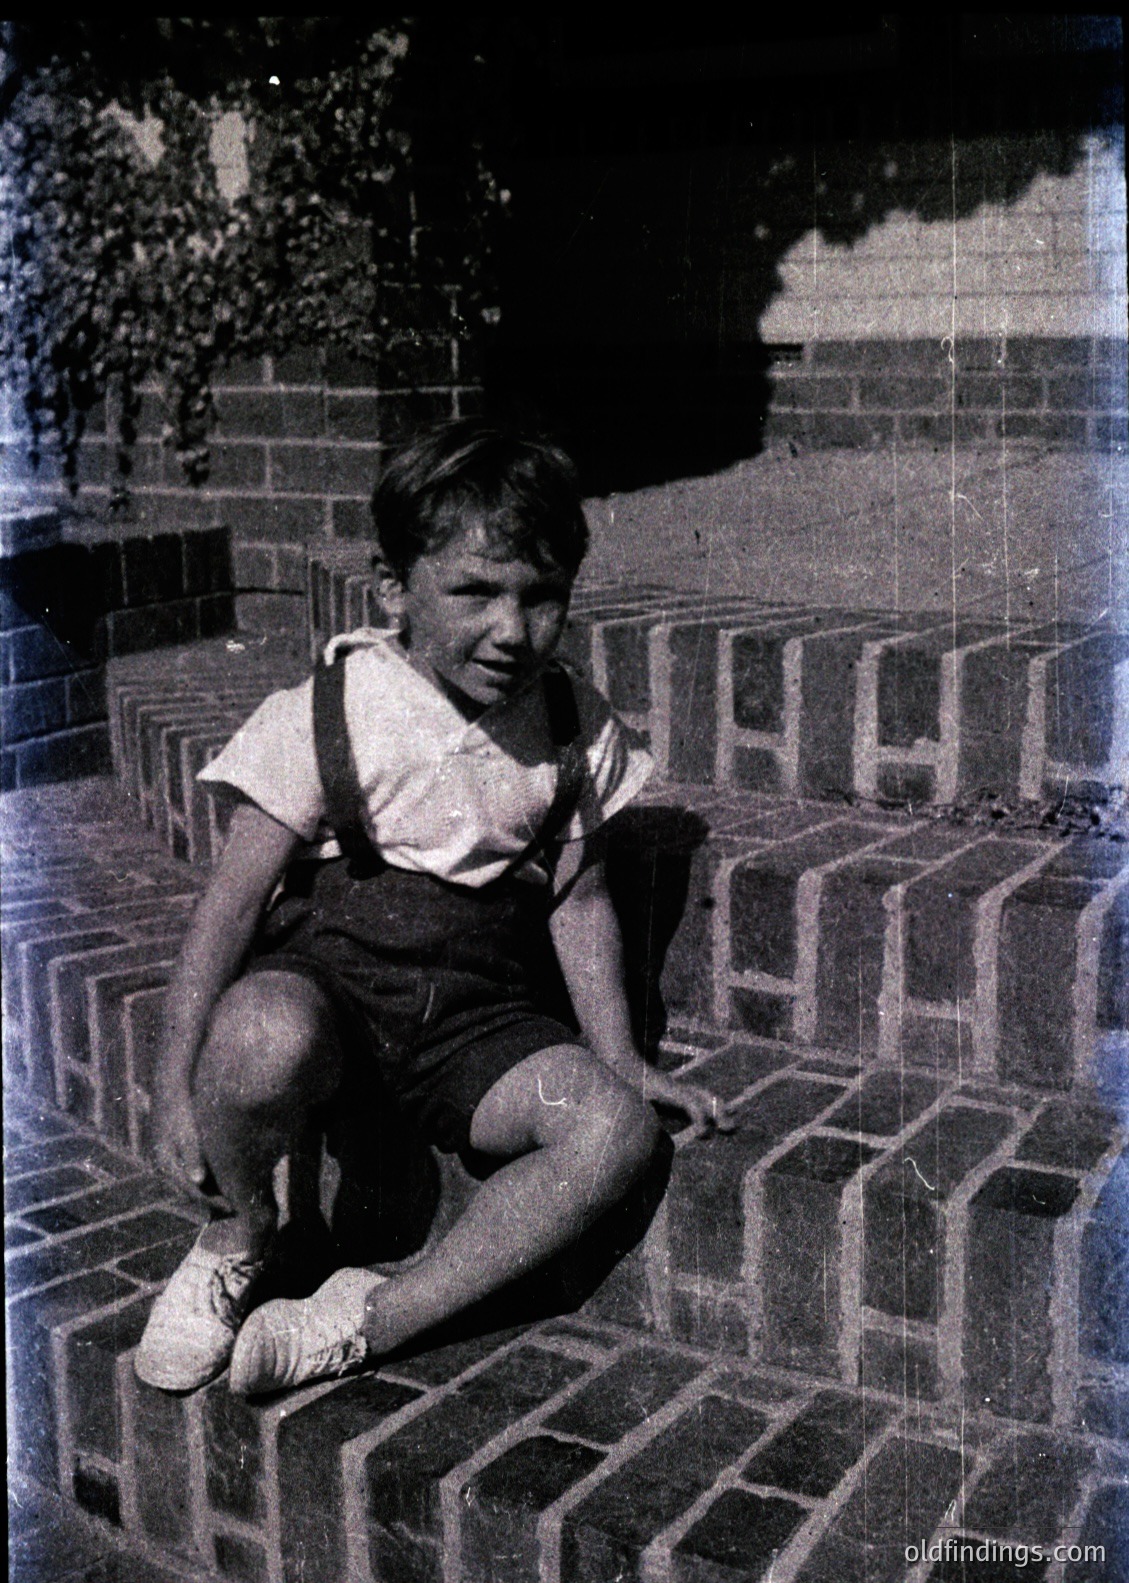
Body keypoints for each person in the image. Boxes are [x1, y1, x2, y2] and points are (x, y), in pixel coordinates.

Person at [134, 419, 730, 1398]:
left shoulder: (572, 727)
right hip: (331, 990)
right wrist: (174, 1075)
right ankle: (241, 1236)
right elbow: (229, 908)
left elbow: (579, 903)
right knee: (252, 1038)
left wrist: (619, 1056)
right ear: (392, 588)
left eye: (543, 599)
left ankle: (370, 1316)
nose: (511, 629)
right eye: (474, 592)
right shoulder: (328, 711)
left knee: (614, 1132)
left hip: (477, 1019)